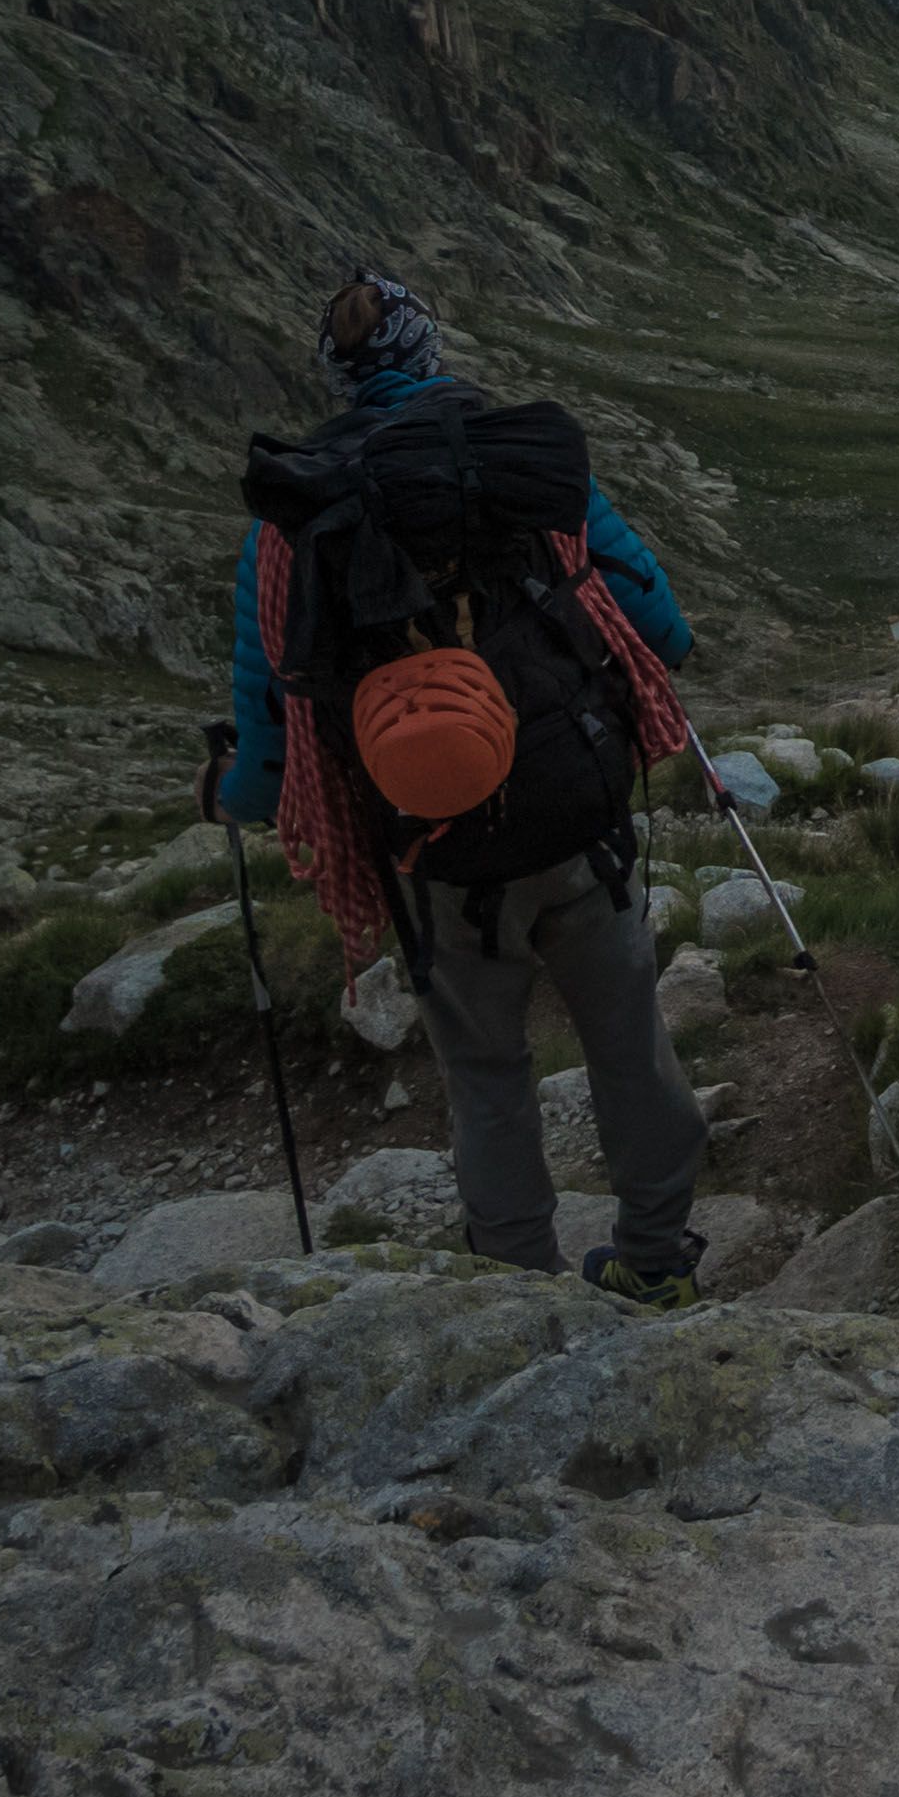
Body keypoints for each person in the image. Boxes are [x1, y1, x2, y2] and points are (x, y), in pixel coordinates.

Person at [213, 269, 717, 1308]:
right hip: (577, 809)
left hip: (429, 841)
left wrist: (243, 789)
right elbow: (648, 608)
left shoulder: (294, 509)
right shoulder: (515, 456)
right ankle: (657, 1258)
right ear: (428, 348)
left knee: (486, 1078)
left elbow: (270, 707)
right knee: (628, 1040)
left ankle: (518, 1294)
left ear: (340, 376)